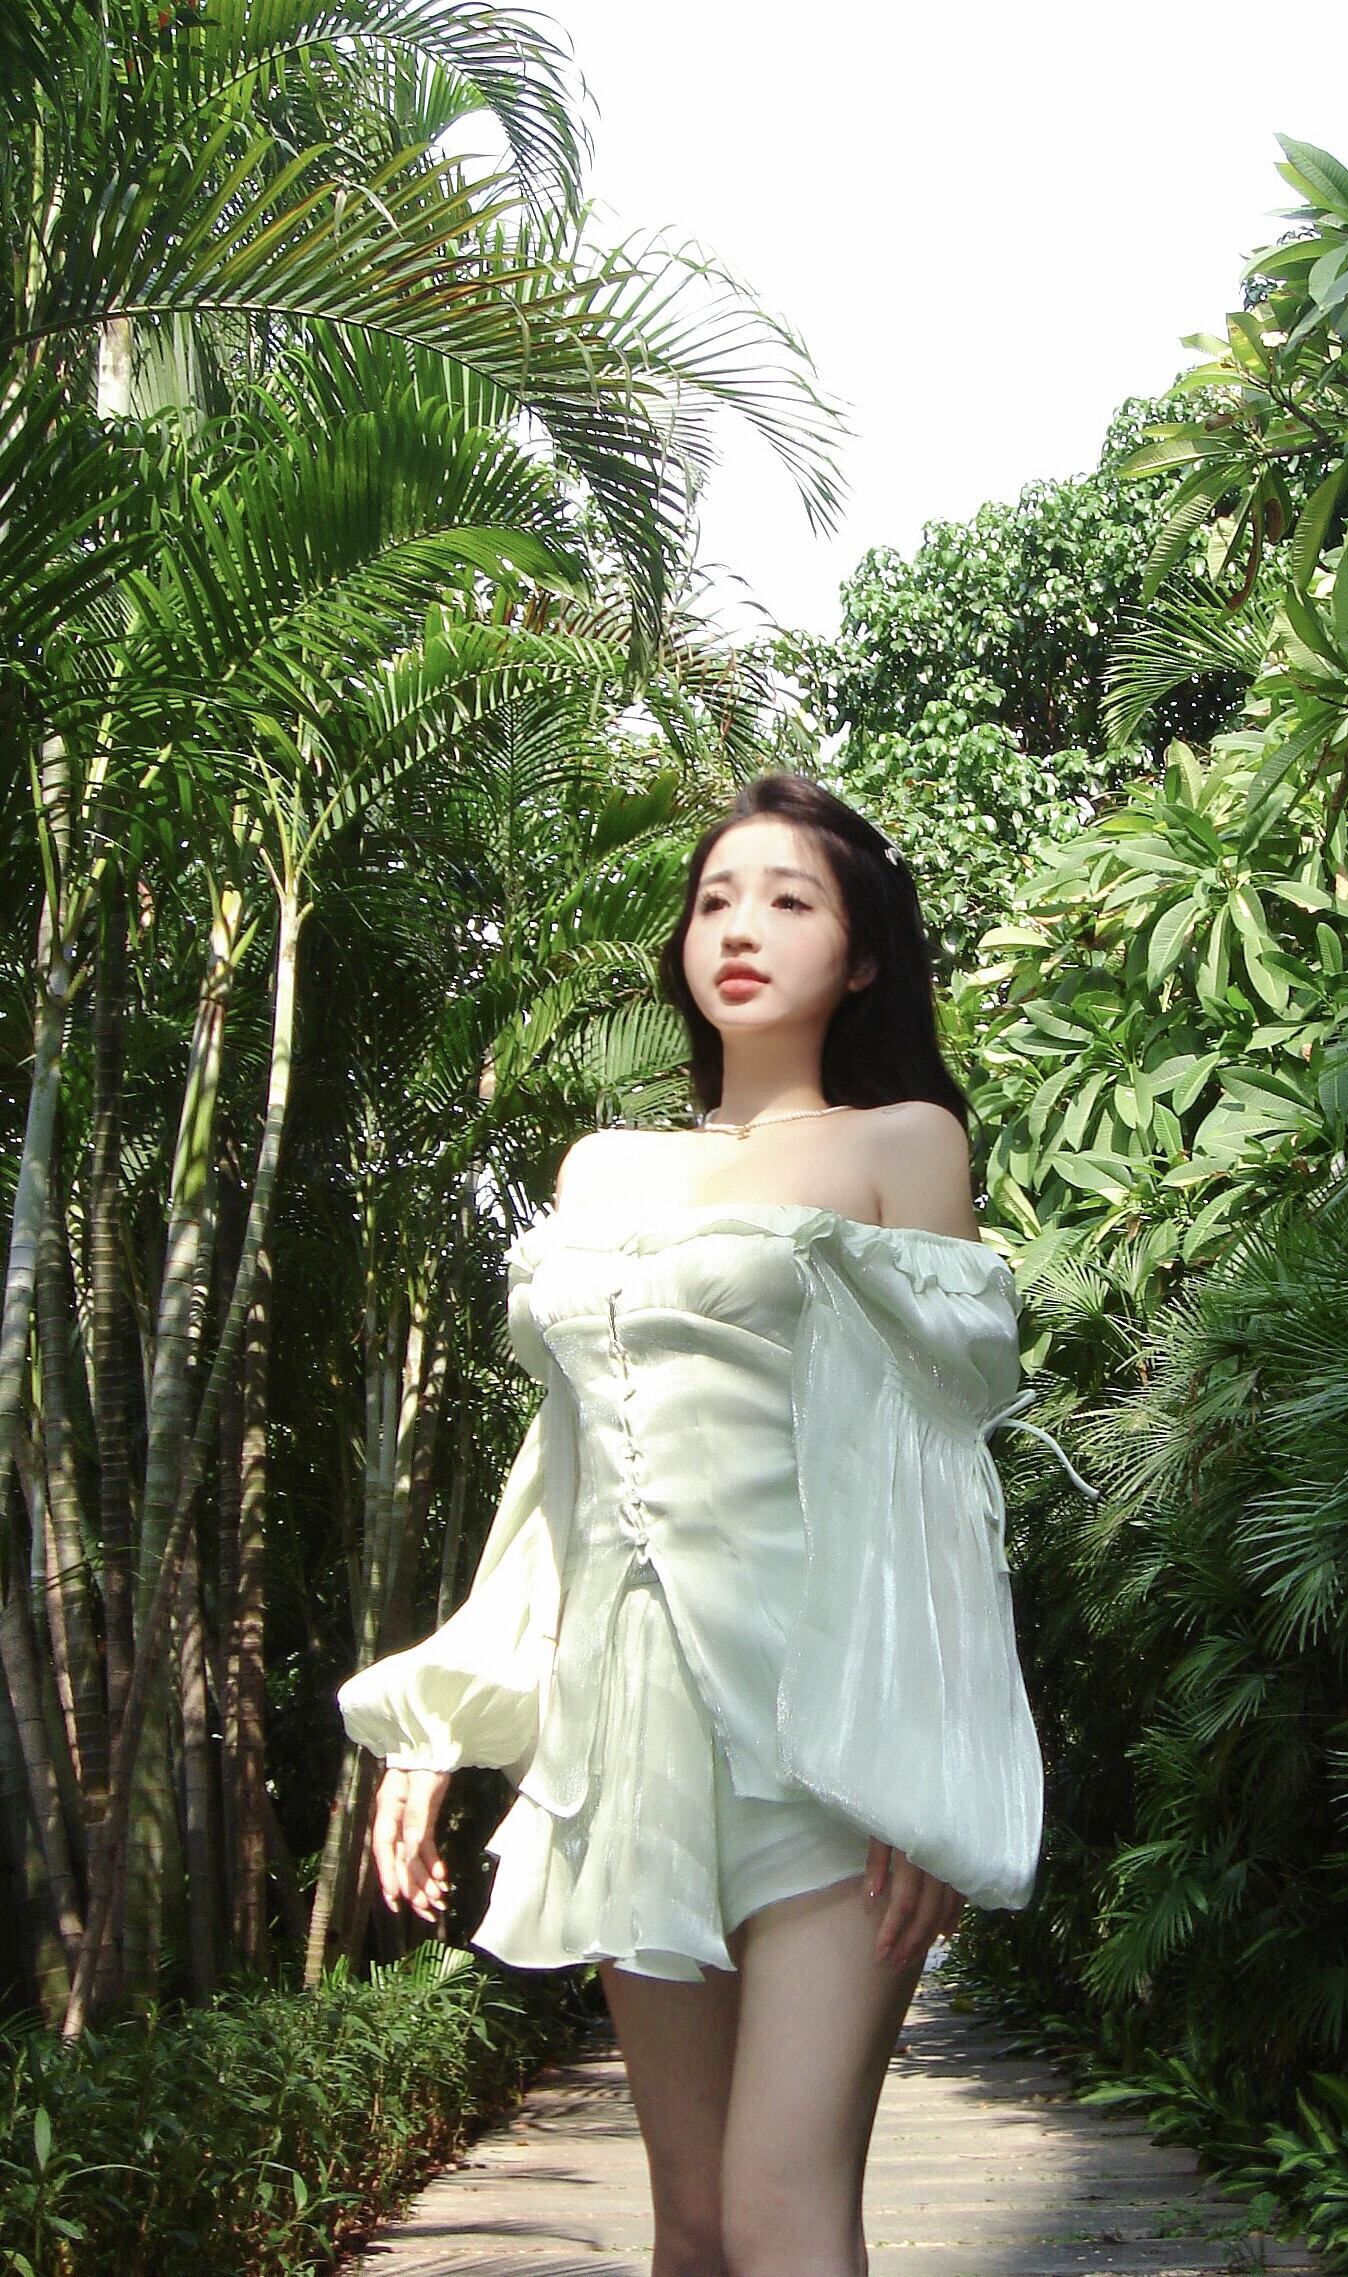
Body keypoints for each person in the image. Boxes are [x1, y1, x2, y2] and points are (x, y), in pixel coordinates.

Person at [336, 772, 1093, 2277]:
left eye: (789, 899)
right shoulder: (602, 1169)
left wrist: (930, 1771)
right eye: (714, 900)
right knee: (689, 2225)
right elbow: (564, 1467)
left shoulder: (903, 1143)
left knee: (779, 2209)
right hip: (634, 1739)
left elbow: (934, 1472)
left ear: (860, 958)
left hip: (829, 1734)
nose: (740, 928)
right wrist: (435, 1728)